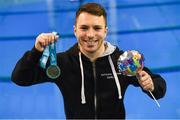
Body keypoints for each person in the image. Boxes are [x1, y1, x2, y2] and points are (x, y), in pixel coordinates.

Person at [11, 2, 166, 119]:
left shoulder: (123, 61)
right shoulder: (63, 63)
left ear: (105, 31)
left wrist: (151, 85)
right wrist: (36, 50)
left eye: (97, 28)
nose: (90, 35)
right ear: (75, 30)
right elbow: (20, 78)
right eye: (84, 28)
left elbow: (159, 86)